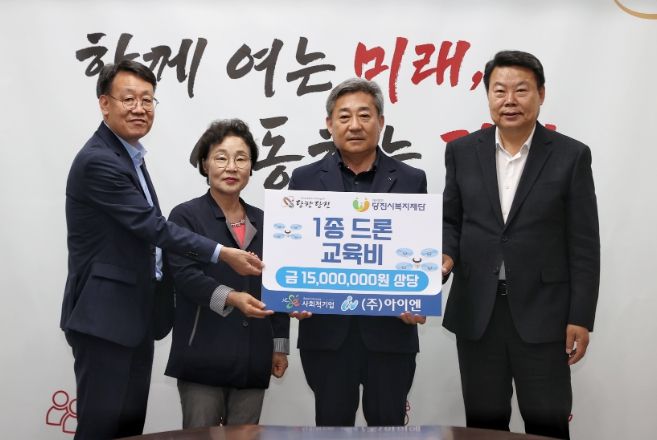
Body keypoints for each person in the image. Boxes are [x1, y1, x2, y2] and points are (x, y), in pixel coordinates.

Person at [60, 60, 263, 440]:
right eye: (129, 99)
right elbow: (151, 226)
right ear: (104, 103)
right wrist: (222, 253)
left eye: (147, 99)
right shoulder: (99, 160)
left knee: (127, 429)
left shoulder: (130, 156)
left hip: (134, 316)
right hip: (105, 318)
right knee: (101, 428)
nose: (140, 108)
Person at [441, 50, 600, 440]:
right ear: (488, 96)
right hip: (478, 312)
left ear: (541, 94)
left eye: (521, 90)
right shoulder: (462, 152)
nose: (509, 100)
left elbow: (584, 243)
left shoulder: (570, 156)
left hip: (545, 315)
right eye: (500, 91)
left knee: (547, 425)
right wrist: (445, 255)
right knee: (484, 426)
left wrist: (580, 316)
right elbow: (451, 221)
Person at [288, 78, 428, 427]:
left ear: (381, 121)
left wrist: (421, 294)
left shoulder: (411, 180)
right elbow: (293, 250)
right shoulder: (304, 180)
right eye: (344, 116)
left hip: (391, 335)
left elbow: (423, 249)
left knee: (389, 428)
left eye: (364, 115)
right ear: (329, 124)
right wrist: (292, 297)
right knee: (331, 428)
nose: (354, 125)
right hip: (326, 336)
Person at [164, 119, 290, 428]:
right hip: (202, 356)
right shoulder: (185, 216)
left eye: (241, 158)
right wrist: (232, 298)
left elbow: (279, 284)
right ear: (205, 164)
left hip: (253, 357)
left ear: (251, 167)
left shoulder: (268, 221)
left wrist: (279, 346)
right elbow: (185, 276)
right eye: (221, 158)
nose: (231, 167)